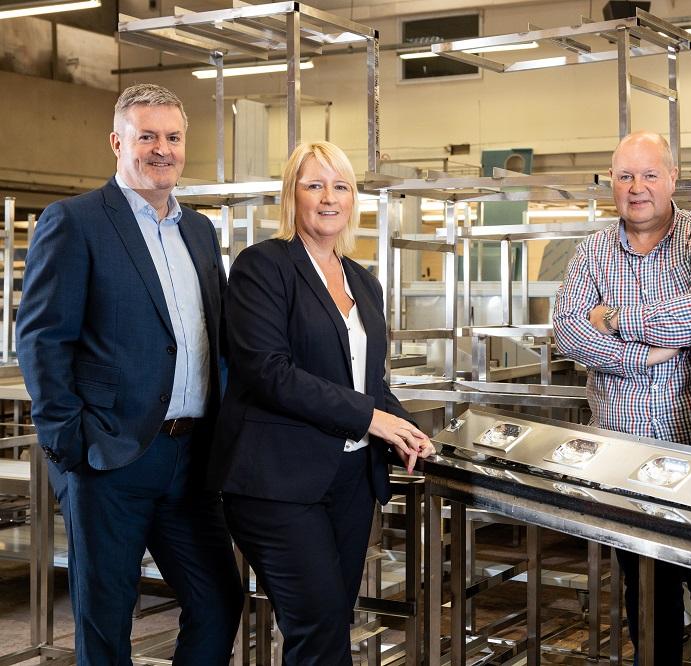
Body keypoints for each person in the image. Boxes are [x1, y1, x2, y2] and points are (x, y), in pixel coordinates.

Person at [16, 83, 243, 665]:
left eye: (172, 137)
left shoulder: (198, 230)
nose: (161, 149)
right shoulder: (76, 222)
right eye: (147, 136)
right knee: (106, 617)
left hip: (190, 460)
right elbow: (42, 339)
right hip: (109, 456)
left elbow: (211, 337)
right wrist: (68, 445)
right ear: (118, 142)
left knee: (218, 600)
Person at [208, 140, 435, 665]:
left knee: (332, 620)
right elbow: (268, 372)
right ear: (293, 195)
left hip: (351, 481)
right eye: (314, 185)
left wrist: (405, 425)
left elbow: (367, 383)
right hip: (278, 482)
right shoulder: (262, 267)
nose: (328, 198)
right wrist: (370, 416)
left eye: (341, 186)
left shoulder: (363, 281)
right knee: (317, 627)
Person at [552, 130, 691, 665]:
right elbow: (568, 330)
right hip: (628, 457)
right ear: (611, 185)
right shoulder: (593, 251)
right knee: (646, 589)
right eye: (625, 176)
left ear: (673, 178)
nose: (637, 187)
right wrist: (639, 356)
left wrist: (618, 320)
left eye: (649, 174)